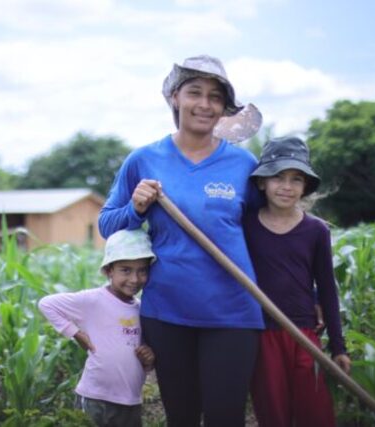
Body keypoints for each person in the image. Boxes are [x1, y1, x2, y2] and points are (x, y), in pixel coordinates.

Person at [99, 54, 264, 426]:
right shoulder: (143, 160)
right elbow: (107, 224)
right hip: (168, 313)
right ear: (176, 97)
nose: (205, 104)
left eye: (215, 97)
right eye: (195, 93)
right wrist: (136, 208)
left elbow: (266, 235)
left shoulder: (243, 165)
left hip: (234, 312)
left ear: (224, 107)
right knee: (182, 417)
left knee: (226, 416)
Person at [243, 136, 352, 427]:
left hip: (305, 333)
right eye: (278, 177)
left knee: (315, 410)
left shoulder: (315, 230)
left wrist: (339, 347)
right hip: (263, 333)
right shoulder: (246, 225)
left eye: (296, 179)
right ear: (262, 182)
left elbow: (327, 288)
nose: (287, 186)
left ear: (305, 187)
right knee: (273, 411)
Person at [38, 228, 157, 427]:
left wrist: (149, 361)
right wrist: (75, 333)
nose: (135, 279)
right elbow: (47, 304)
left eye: (142, 270)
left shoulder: (142, 309)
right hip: (95, 398)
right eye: (125, 270)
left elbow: (137, 354)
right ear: (109, 270)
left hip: (130, 400)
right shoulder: (93, 300)